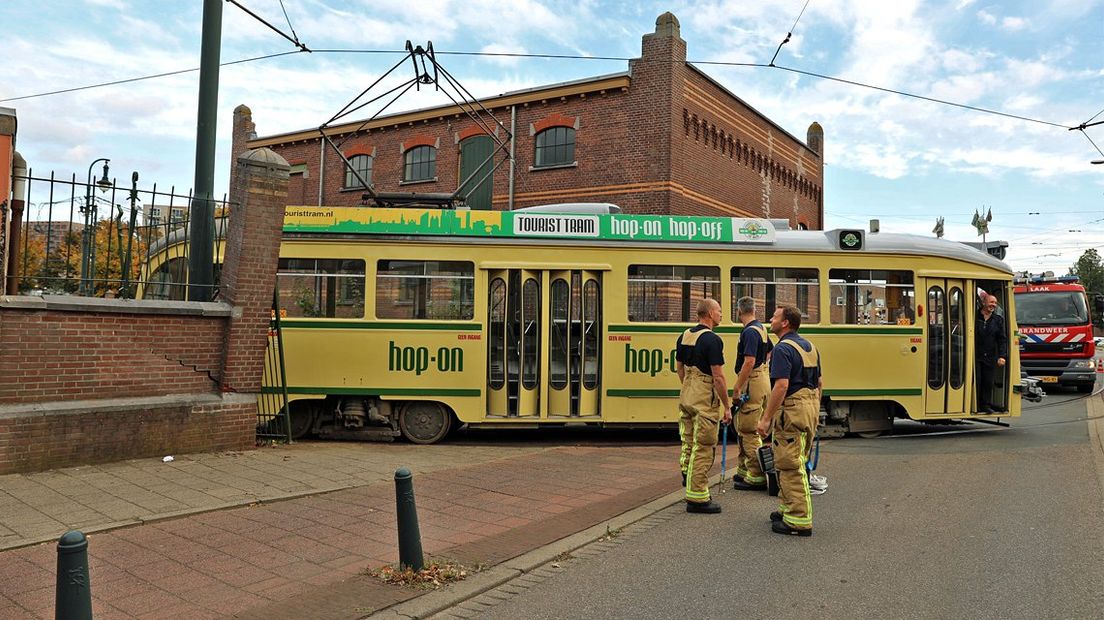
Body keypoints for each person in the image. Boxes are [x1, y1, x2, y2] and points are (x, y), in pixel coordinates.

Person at [756, 305, 822, 536]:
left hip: (793, 410)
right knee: (791, 459)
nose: (770, 320)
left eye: (774, 316)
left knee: (791, 465)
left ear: (785, 323)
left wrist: (766, 419)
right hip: (810, 406)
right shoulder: (810, 347)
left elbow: (781, 386)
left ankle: (798, 519)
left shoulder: (782, 349)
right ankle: (786, 508)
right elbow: (820, 382)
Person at [676, 298, 732, 514]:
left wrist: (688, 388)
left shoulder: (685, 335)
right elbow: (718, 377)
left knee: (688, 441)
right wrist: (726, 406)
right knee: (704, 446)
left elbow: (679, 368)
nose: (721, 313)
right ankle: (698, 496)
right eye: (719, 310)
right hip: (704, 397)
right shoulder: (713, 340)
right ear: (709, 313)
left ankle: (687, 474)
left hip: (687, 392)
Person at [731, 296, 773, 491]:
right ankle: (743, 470)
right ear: (754, 311)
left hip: (752, 382)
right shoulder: (762, 329)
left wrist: (738, 386)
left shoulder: (749, 332)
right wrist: (762, 366)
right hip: (763, 379)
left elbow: (748, 362)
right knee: (744, 426)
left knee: (748, 429)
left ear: (739, 312)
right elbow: (769, 352)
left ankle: (755, 475)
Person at [976, 293, 1008, 413]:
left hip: (990, 356)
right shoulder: (974, 316)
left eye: (995, 303)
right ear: (984, 302)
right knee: (977, 380)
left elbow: (1002, 339)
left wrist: (1002, 356)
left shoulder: (998, 320)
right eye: (991, 302)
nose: (993, 305)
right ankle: (975, 404)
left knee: (988, 381)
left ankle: (985, 405)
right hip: (975, 355)